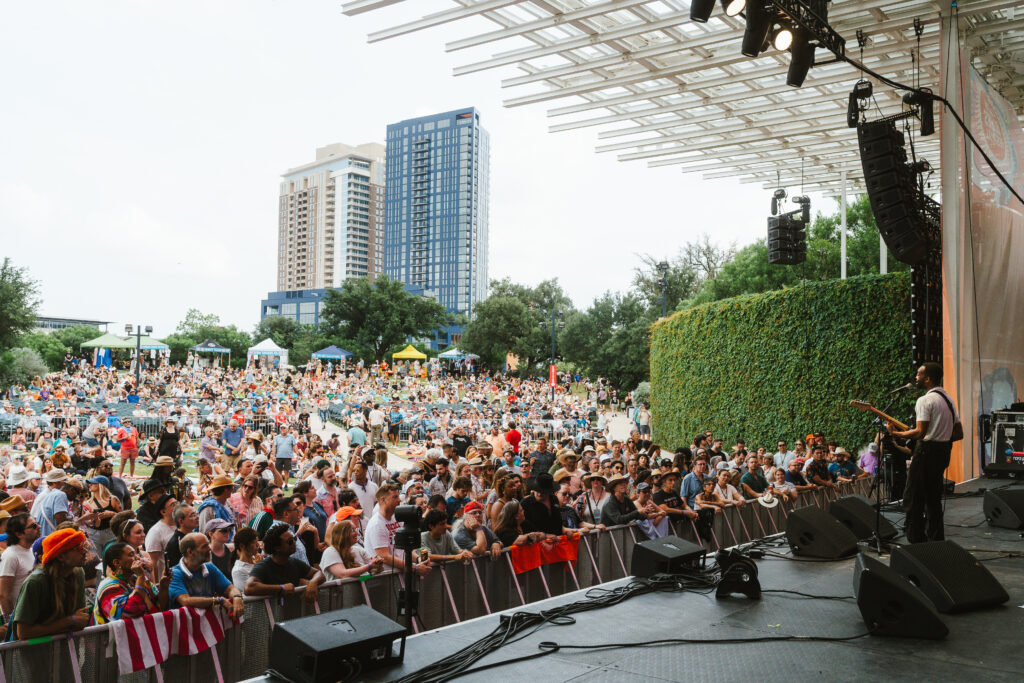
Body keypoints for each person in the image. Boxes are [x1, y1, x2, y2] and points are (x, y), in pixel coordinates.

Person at [887, 362, 962, 544]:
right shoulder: (948, 400)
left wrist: (895, 433)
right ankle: (936, 540)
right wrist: (941, 437)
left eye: (919, 375)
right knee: (933, 498)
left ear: (927, 378)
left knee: (913, 497)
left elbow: (920, 432)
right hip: (943, 452)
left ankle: (916, 540)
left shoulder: (925, 400)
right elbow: (959, 433)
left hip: (926, 452)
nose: (916, 378)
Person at [10, 528, 90, 639]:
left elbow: (79, 621)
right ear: (61, 556)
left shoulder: (78, 572)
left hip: (65, 649)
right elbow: (23, 633)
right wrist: (68, 621)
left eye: (84, 545)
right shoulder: (36, 582)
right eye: (78, 548)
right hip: (34, 651)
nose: (84, 551)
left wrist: (73, 621)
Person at [168, 533, 244, 616]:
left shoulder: (209, 567)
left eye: (208, 544)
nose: (209, 548)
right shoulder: (175, 573)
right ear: (190, 552)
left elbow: (230, 589)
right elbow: (185, 601)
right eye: (204, 546)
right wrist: (218, 600)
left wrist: (237, 597)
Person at [244, 524, 324, 603]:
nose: (294, 542)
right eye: (290, 542)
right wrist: (281, 588)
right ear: (277, 548)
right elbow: (249, 587)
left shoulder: (294, 563)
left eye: (294, 539)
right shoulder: (263, 566)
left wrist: (313, 582)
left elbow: (319, 574)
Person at [364, 483, 431, 577]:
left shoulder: (396, 518)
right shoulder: (376, 524)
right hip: (386, 578)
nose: (399, 500)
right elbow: (385, 557)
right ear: (383, 500)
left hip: (401, 574)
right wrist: (414, 567)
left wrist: (418, 559)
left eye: (398, 496)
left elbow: (406, 548)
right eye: (395, 497)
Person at [94, 542, 165, 624]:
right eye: (131, 555)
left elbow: (159, 605)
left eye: (136, 554)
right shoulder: (108, 587)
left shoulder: (138, 578)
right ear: (116, 563)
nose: (138, 558)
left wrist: (164, 587)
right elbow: (130, 612)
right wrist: (140, 577)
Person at [0, 515, 41, 616]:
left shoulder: (32, 550)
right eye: (33, 526)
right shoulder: (10, 555)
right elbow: (4, 595)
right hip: (23, 620)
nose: (39, 527)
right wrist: (11, 624)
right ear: (19, 534)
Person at [144, 493, 178, 582]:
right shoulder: (156, 532)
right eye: (173, 505)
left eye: (177, 503)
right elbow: (153, 562)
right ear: (163, 512)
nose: (177, 506)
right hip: (167, 581)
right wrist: (157, 587)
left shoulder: (181, 524)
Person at [231, 527, 261, 593]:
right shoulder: (238, 570)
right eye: (253, 542)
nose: (257, 545)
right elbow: (251, 592)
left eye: (257, 541)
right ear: (242, 546)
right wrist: (259, 567)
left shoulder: (258, 561)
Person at [271, 424, 297, 490]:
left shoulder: (291, 437)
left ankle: (286, 485)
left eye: (284, 428)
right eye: (281, 428)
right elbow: (274, 447)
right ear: (280, 429)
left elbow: (294, 445)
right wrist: (273, 455)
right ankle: (279, 485)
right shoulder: (277, 437)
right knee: (278, 472)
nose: (283, 429)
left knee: (286, 472)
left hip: (288, 456)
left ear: (287, 429)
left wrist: (297, 454)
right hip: (279, 456)